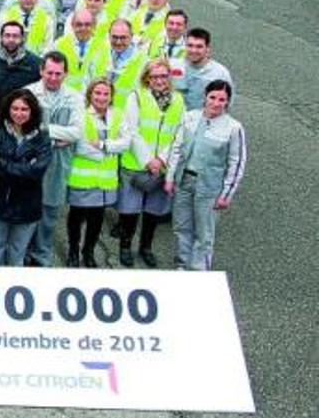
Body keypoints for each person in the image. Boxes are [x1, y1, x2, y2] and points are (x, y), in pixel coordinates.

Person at [165, 80, 247, 271]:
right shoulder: (190, 118)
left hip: (209, 188)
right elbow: (176, 148)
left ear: (227, 102)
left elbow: (237, 163)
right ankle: (181, 265)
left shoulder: (233, 128)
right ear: (205, 97)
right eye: (212, 97)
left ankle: (199, 270)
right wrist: (170, 178)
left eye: (222, 100)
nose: (216, 103)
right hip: (184, 181)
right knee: (181, 227)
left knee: (204, 233)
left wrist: (226, 195)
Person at [116, 59, 185, 268]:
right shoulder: (136, 97)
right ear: (147, 78)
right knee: (130, 211)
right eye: (155, 77)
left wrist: (161, 159)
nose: (159, 81)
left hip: (162, 166)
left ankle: (146, 247)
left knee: (153, 212)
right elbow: (131, 130)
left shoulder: (179, 100)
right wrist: (148, 160)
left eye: (164, 76)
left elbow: (178, 134)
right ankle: (125, 246)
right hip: (136, 164)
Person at [25, 51, 85, 267]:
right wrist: (57, 137)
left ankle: (41, 255)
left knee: (50, 212)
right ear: (41, 70)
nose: (53, 77)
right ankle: (24, 252)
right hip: (30, 161)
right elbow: (24, 129)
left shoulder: (75, 97)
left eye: (58, 74)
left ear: (66, 74)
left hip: (58, 164)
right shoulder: (28, 93)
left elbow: (77, 132)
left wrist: (43, 130)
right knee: (27, 209)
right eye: (49, 72)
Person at [0, 90, 51, 266]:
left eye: (24, 109)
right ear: (7, 109)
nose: (19, 113)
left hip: (27, 206)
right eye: (15, 108)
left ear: (33, 111)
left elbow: (37, 172)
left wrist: (4, 165)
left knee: (17, 254)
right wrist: (25, 167)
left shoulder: (42, 139)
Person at [66, 79, 131, 267]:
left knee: (96, 220)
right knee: (76, 218)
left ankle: (88, 252)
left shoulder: (118, 115)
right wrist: (109, 150)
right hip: (81, 178)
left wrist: (104, 145)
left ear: (111, 96)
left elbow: (126, 143)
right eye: (97, 93)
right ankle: (73, 250)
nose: (101, 97)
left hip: (105, 180)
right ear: (89, 94)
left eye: (106, 94)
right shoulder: (81, 115)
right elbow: (80, 146)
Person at [181, 28, 234, 110]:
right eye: (190, 45)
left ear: (207, 48)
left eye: (199, 46)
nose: (193, 50)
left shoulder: (220, 74)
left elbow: (227, 103)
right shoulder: (175, 66)